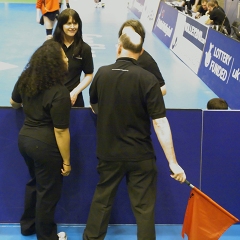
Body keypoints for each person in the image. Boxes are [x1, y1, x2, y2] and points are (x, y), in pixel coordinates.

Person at [83, 30, 186, 240]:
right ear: (140, 52)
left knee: (102, 202)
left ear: (119, 47)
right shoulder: (149, 79)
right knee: (145, 209)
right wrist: (173, 163)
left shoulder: (102, 73)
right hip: (141, 155)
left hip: (109, 153)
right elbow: (159, 121)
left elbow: (94, 105)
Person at [10, 40, 71, 240]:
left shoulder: (26, 79)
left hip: (25, 141)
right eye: (63, 55)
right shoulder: (59, 91)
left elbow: (13, 102)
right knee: (48, 193)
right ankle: (47, 236)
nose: (66, 58)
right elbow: (61, 131)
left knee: (35, 183)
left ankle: (28, 226)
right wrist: (67, 162)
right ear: (55, 62)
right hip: (45, 146)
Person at [53, 9, 94, 107]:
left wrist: (75, 92)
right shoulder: (51, 46)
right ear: (61, 25)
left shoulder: (85, 48)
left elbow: (89, 74)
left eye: (75, 23)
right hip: (53, 98)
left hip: (74, 99)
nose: (72, 27)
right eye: (68, 23)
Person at [118, 19, 167, 96]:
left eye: (129, 34)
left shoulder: (147, 61)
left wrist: (141, 98)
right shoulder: (120, 54)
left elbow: (163, 89)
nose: (125, 38)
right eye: (123, 34)